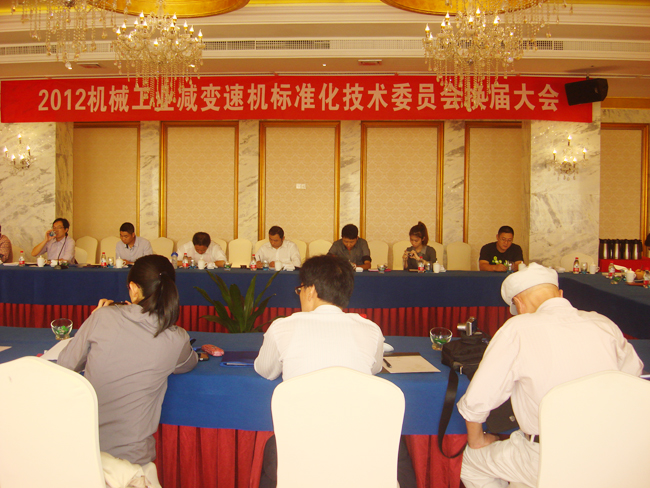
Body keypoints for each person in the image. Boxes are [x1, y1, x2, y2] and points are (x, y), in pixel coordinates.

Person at [457, 262, 643, 488]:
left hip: (551, 458)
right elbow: (634, 380)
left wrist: (478, 441)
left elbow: (477, 400)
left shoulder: (518, 329)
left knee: (471, 463)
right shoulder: (604, 324)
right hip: (614, 454)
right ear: (560, 294)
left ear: (518, 303)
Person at [254, 254, 416, 488]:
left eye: (300, 289)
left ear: (310, 290)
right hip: (364, 451)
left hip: (302, 451)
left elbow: (265, 370)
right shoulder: (371, 329)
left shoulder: (282, 327)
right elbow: (374, 370)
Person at [58, 254, 198, 467]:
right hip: (131, 461)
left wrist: (95, 318)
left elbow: (65, 365)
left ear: (133, 288)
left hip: (83, 452)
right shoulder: (176, 338)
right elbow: (189, 362)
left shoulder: (102, 317)